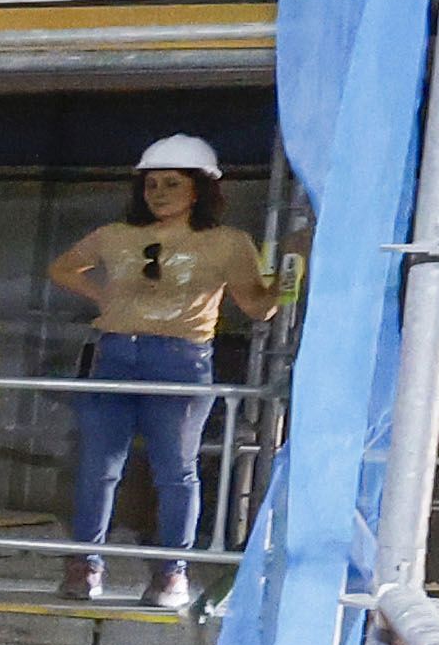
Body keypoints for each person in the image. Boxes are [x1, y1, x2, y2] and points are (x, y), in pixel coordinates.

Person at [48, 131, 277, 613]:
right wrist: (104, 298)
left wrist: (292, 279)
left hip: (181, 358)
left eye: (171, 184)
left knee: (175, 471)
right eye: (152, 185)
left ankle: (172, 572)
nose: (159, 193)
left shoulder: (227, 243)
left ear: (200, 189)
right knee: (98, 466)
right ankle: (86, 563)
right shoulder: (115, 236)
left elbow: (257, 307)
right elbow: (63, 268)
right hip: (115, 353)